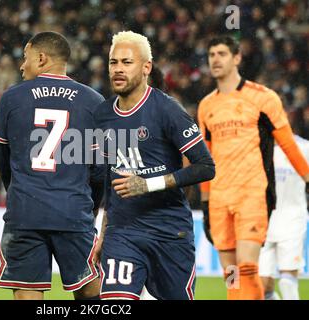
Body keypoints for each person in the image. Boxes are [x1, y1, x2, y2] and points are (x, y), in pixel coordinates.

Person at [94, 31, 215, 300]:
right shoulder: (102, 115)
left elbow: (206, 166)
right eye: (114, 62)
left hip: (170, 232)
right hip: (123, 233)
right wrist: (103, 233)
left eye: (127, 62)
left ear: (146, 67)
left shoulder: (167, 110)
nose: (118, 69)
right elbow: (108, 181)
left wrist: (148, 184)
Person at [0, 31, 104, 300]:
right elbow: (100, 172)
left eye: (25, 57)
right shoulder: (93, 102)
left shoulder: (12, 98)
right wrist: (90, 206)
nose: (21, 65)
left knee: (27, 293)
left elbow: (3, 162)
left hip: (25, 213)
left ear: (41, 58)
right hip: (74, 212)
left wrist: (19, 193)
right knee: (91, 290)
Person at [198, 36, 309, 300]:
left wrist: (307, 179)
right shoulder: (206, 106)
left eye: (222, 53)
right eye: (212, 54)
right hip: (220, 198)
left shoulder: (263, 98)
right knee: (232, 274)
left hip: (252, 193)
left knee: (247, 268)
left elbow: (288, 144)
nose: (215, 59)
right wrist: (205, 203)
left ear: (236, 58)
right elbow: (206, 158)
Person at [259, 135, 309, 300]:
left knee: (287, 281)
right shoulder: (259, 147)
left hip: (292, 218)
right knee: (263, 287)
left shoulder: (304, 147)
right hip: (264, 220)